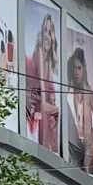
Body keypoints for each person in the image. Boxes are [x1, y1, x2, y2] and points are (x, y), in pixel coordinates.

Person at [24, 11, 60, 150]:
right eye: (45, 30)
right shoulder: (38, 53)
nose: (47, 35)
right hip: (33, 121)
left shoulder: (49, 64)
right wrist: (56, 110)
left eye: (50, 32)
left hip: (43, 125)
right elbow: (43, 104)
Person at [65, 46, 93, 175]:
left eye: (79, 68)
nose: (77, 72)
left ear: (84, 69)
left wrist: (92, 138)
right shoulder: (69, 90)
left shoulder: (88, 91)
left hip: (86, 147)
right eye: (74, 68)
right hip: (73, 144)